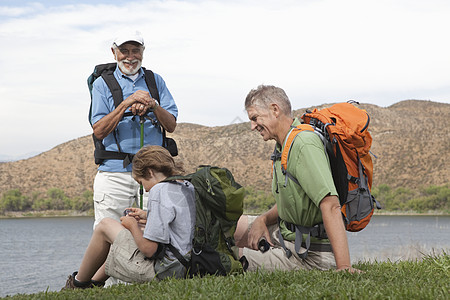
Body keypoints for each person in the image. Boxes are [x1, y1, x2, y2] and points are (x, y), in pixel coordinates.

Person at [234, 85, 360, 273]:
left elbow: (330, 205)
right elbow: (295, 200)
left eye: (254, 118)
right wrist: (263, 219)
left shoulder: (304, 144)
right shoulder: (283, 144)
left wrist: (344, 268)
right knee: (224, 226)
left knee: (225, 255)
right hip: (286, 234)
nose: (252, 126)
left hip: (311, 253)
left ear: (274, 110)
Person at [63, 146, 195, 289]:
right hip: (188, 265)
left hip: (165, 272)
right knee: (121, 238)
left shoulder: (158, 190)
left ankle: (78, 284)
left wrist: (132, 225)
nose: (145, 189)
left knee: (105, 226)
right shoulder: (186, 185)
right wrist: (148, 217)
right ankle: (94, 284)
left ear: (150, 172)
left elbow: (149, 250)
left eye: (141, 183)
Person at [90, 29, 178, 228]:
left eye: (135, 51)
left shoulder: (156, 81)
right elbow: (99, 130)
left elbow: (171, 124)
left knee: (157, 231)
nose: (130, 57)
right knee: (108, 233)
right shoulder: (101, 84)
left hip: (153, 173)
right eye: (124, 51)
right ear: (114, 53)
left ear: (143, 52)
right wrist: (126, 104)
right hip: (114, 173)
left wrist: (152, 105)